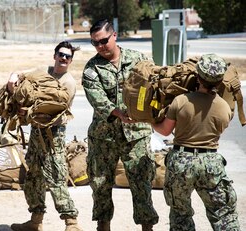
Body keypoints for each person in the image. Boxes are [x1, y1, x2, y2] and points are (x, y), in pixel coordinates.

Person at [82, 19, 158, 231]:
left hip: (137, 136)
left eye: (103, 41)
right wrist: (119, 113)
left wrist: (151, 111)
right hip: (104, 137)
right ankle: (103, 227)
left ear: (114, 35)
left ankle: (147, 228)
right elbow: (97, 99)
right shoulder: (91, 68)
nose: (100, 47)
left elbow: (154, 86)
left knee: (141, 184)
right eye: (94, 43)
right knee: (100, 185)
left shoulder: (138, 60)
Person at [151, 54, 240, 230]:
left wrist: (151, 121)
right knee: (222, 214)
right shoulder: (224, 106)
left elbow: (165, 130)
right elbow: (220, 130)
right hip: (211, 163)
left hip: (181, 161)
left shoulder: (181, 101)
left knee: (180, 214)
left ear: (197, 76)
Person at [10, 41, 83, 231]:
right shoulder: (44, 71)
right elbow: (23, 75)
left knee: (56, 178)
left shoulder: (68, 82)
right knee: (33, 176)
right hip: (36, 132)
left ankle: (71, 222)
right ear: (55, 55)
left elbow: (57, 113)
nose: (63, 58)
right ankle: (36, 221)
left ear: (71, 60)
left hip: (53, 134)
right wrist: (14, 76)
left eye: (67, 56)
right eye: (61, 54)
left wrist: (29, 113)